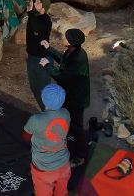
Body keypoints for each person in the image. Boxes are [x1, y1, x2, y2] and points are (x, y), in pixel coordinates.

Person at [40, 28, 90, 165]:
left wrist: (47, 65)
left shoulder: (78, 59)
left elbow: (62, 76)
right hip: (71, 95)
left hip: (76, 99)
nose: (62, 38)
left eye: (65, 37)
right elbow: (63, 60)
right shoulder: (73, 51)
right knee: (70, 122)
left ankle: (80, 156)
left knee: (77, 127)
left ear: (71, 42)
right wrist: (49, 48)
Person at [22, 83, 71, 196]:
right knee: (62, 191)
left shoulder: (36, 119)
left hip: (44, 169)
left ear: (43, 100)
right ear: (63, 100)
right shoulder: (66, 113)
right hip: (64, 164)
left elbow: (25, 136)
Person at [25, 0, 53, 109]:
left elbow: (37, 27)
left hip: (42, 59)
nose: (35, 3)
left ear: (44, 7)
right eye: (36, 1)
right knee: (34, 86)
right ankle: (44, 109)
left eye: (38, 2)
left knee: (44, 87)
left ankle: (49, 111)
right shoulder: (35, 16)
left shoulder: (46, 20)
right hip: (31, 57)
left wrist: (30, 13)